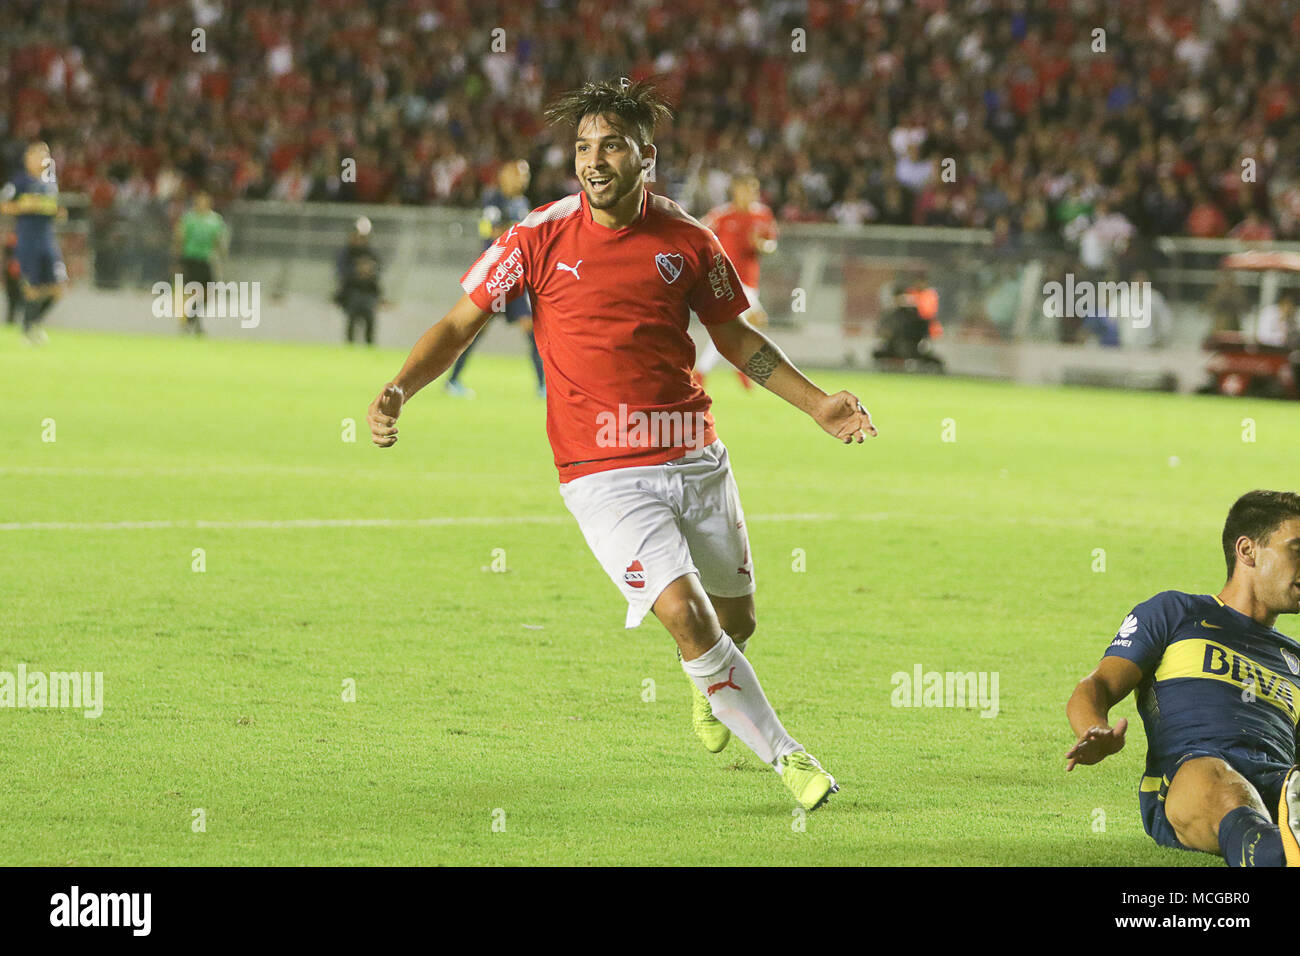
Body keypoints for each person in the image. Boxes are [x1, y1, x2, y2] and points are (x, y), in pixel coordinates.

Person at [366, 79, 878, 811]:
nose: (593, 160)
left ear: (647, 157)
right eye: (582, 147)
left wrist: (817, 403)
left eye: (610, 145)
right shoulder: (536, 238)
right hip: (601, 473)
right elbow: (458, 325)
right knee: (685, 615)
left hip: (693, 453)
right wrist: (399, 388)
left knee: (737, 622)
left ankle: (711, 684)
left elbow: (734, 336)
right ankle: (790, 760)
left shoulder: (689, 241)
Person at [1065, 490, 1300, 866]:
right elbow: (1098, 685)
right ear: (1247, 551)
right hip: (1193, 776)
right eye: (1297, 548)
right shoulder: (1177, 613)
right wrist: (1093, 729)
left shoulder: (1295, 660)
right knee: (1223, 786)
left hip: (1282, 787)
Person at [444, 159, 545, 398]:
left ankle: (543, 386)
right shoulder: (492, 198)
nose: (524, 178)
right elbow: (489, 231)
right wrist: (518, 231)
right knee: (475, 331)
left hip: (516, 277)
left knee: (533, 330)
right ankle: (453, 380)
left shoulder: (522, 203)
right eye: (519, 173)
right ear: (505, 175)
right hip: (496, 276)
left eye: (526, 174)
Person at [696, 173, 778, 390]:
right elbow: (697, 233)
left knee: (740, 328)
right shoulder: (722, 215)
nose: (749, 194)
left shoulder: (763, 215)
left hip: (751, 280)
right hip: (727, 280)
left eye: (753, 189)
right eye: (745, 189)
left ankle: (721, 370)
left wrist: (763, 246)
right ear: (735, 191)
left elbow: (772, 243)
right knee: (755, 319)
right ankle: (711, 371)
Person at [0, 141, 68, 345]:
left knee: (58, 288)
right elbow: (4, 206)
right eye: (38, 155)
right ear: (28, 158)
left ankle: (33, 322)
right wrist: (23, 205)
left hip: (48, 239)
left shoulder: (50, 183)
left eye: (46, 155)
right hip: (28, 240)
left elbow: (50, 208)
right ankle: (28, 331)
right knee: (32, 287)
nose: (43, 159)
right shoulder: (19, 181)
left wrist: (57, 213)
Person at [171, 190, 228, 335]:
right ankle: (193, 323)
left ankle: (191, 320)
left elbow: (218, 241)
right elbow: (180, 238)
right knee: (194, 291)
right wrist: (177, 260)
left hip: (206, 259)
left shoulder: (215, 220)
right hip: (191, 258)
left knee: (209, 294)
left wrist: (221, 258)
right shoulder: (189, 219)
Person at [335, 216, 383, 345]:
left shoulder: (372, 253)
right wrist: (357, 271)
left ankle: (369, 346)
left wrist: (370, 272)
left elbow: (379, 272)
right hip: (352, 291)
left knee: (369, 321)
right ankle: (349, 346)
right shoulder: (346, 253)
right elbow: (341, 272)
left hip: (368, 292)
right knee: (351, 321)